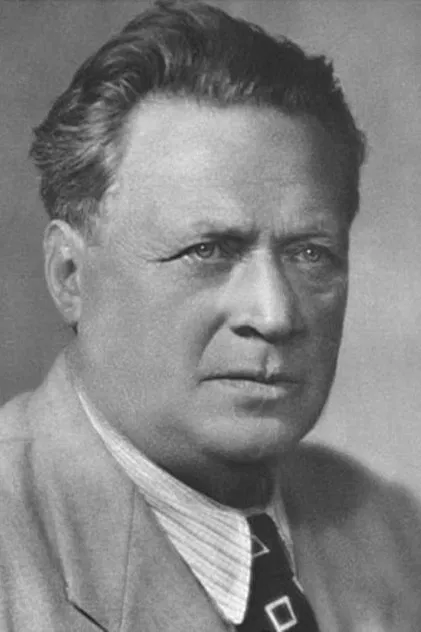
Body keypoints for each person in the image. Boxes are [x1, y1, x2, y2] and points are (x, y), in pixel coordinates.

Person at [1, 0, 421, 629]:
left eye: (310, 253)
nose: (274, 315)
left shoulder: (390, 529)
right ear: (70, 276)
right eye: (209, 251)